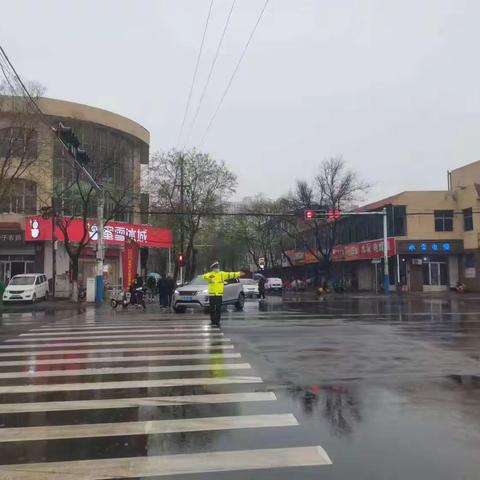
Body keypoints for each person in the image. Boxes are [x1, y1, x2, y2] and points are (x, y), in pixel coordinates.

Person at [203, 262, 244, 327]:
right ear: (213, 268)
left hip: (219, 295)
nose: (217, 269)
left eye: (217, 267)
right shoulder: (210, 274)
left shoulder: (222, 274)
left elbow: (230, 274)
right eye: (215, 267)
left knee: (218, 309)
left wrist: (239, 273)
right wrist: (209, 276)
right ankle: (213, 321)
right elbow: (204, 276)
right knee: (212, 309)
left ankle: (217, 321)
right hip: (212, 295)